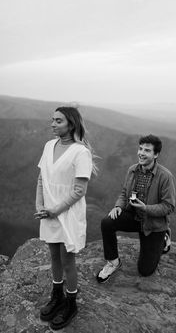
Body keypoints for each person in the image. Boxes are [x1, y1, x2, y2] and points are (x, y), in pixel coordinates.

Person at [35, 106, 96, 330]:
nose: (52, 124)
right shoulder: (49, 146)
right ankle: (57, 296)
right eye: (52, 120)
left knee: (67, 259)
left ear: (71, 124)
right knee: (53, 256)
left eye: (58, 121)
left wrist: (55, 210)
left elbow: (79, 190)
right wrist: (40, 205)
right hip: (49, 211)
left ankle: (71, 303)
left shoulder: (81, 152)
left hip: (68, 213)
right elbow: (41, 179)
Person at [96, 134, 175, 283]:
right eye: (140, 149)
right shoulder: (133, 170)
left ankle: (164, 237)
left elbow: (168, 206)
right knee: (107, 222)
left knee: (145, 271)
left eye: (147, 150)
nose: (141, 153)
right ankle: (113, 262)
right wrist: (118, 206)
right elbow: (125, 193)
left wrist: (146, 208)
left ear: (156, 154)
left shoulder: (165, 176)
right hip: (134, 217)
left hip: (152, 224)